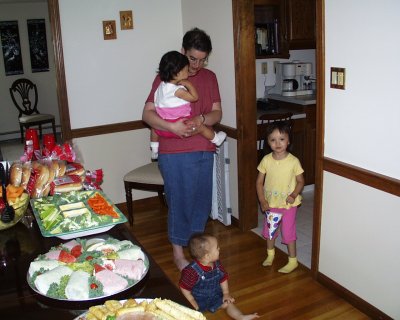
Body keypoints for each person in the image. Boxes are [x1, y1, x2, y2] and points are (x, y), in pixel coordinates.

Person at [142, 28, 224, 271]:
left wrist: (202, 119)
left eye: (202, 59)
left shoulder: (210, 78)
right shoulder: (165, 77)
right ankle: (178, 252)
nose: (197, 64)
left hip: (203, 148)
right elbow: (147, 113)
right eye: (192, 58)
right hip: (173, 151)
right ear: (182, 52)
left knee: (201, 202)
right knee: (179, 201)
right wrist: (171, 126)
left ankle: (198, 250)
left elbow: (217, 112)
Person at [150, 50, 227, 159]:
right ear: (178, 73)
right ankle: (216, 139)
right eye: (186, 70)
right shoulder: (177, 90)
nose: (192, 68)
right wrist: (188, 84)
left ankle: (154, 148)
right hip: (182, 126)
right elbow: (194, 98)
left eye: (202, 60)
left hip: (162, 129)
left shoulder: (161, 86)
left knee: (154, 127)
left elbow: (153, 112)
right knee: (201, 128)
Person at [256, 121, 305, 273]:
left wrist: (294, 194)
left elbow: (301, 181)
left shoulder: (293, 161)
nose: (277, 143)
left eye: (281, 139)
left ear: (288, 141)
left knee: (288, 231)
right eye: (273, 140)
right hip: (271, 204)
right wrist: (263, 201)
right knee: (270, 231)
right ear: (268, 142)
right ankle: (270, 255)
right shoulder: (266, 160)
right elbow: (259, 182)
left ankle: (293, 260)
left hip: (289, 204)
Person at [179, 233, 259, 320]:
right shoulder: (192, 271)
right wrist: (191, 301)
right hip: (198, 300)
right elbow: (184, 287)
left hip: (215, 296)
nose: (219, 249)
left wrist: (226, 293)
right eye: (217, 248)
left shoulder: (217, 265)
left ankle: (240, 317)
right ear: (207, 256)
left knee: (228, 303)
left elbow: (223, 278)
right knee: (188, 314)